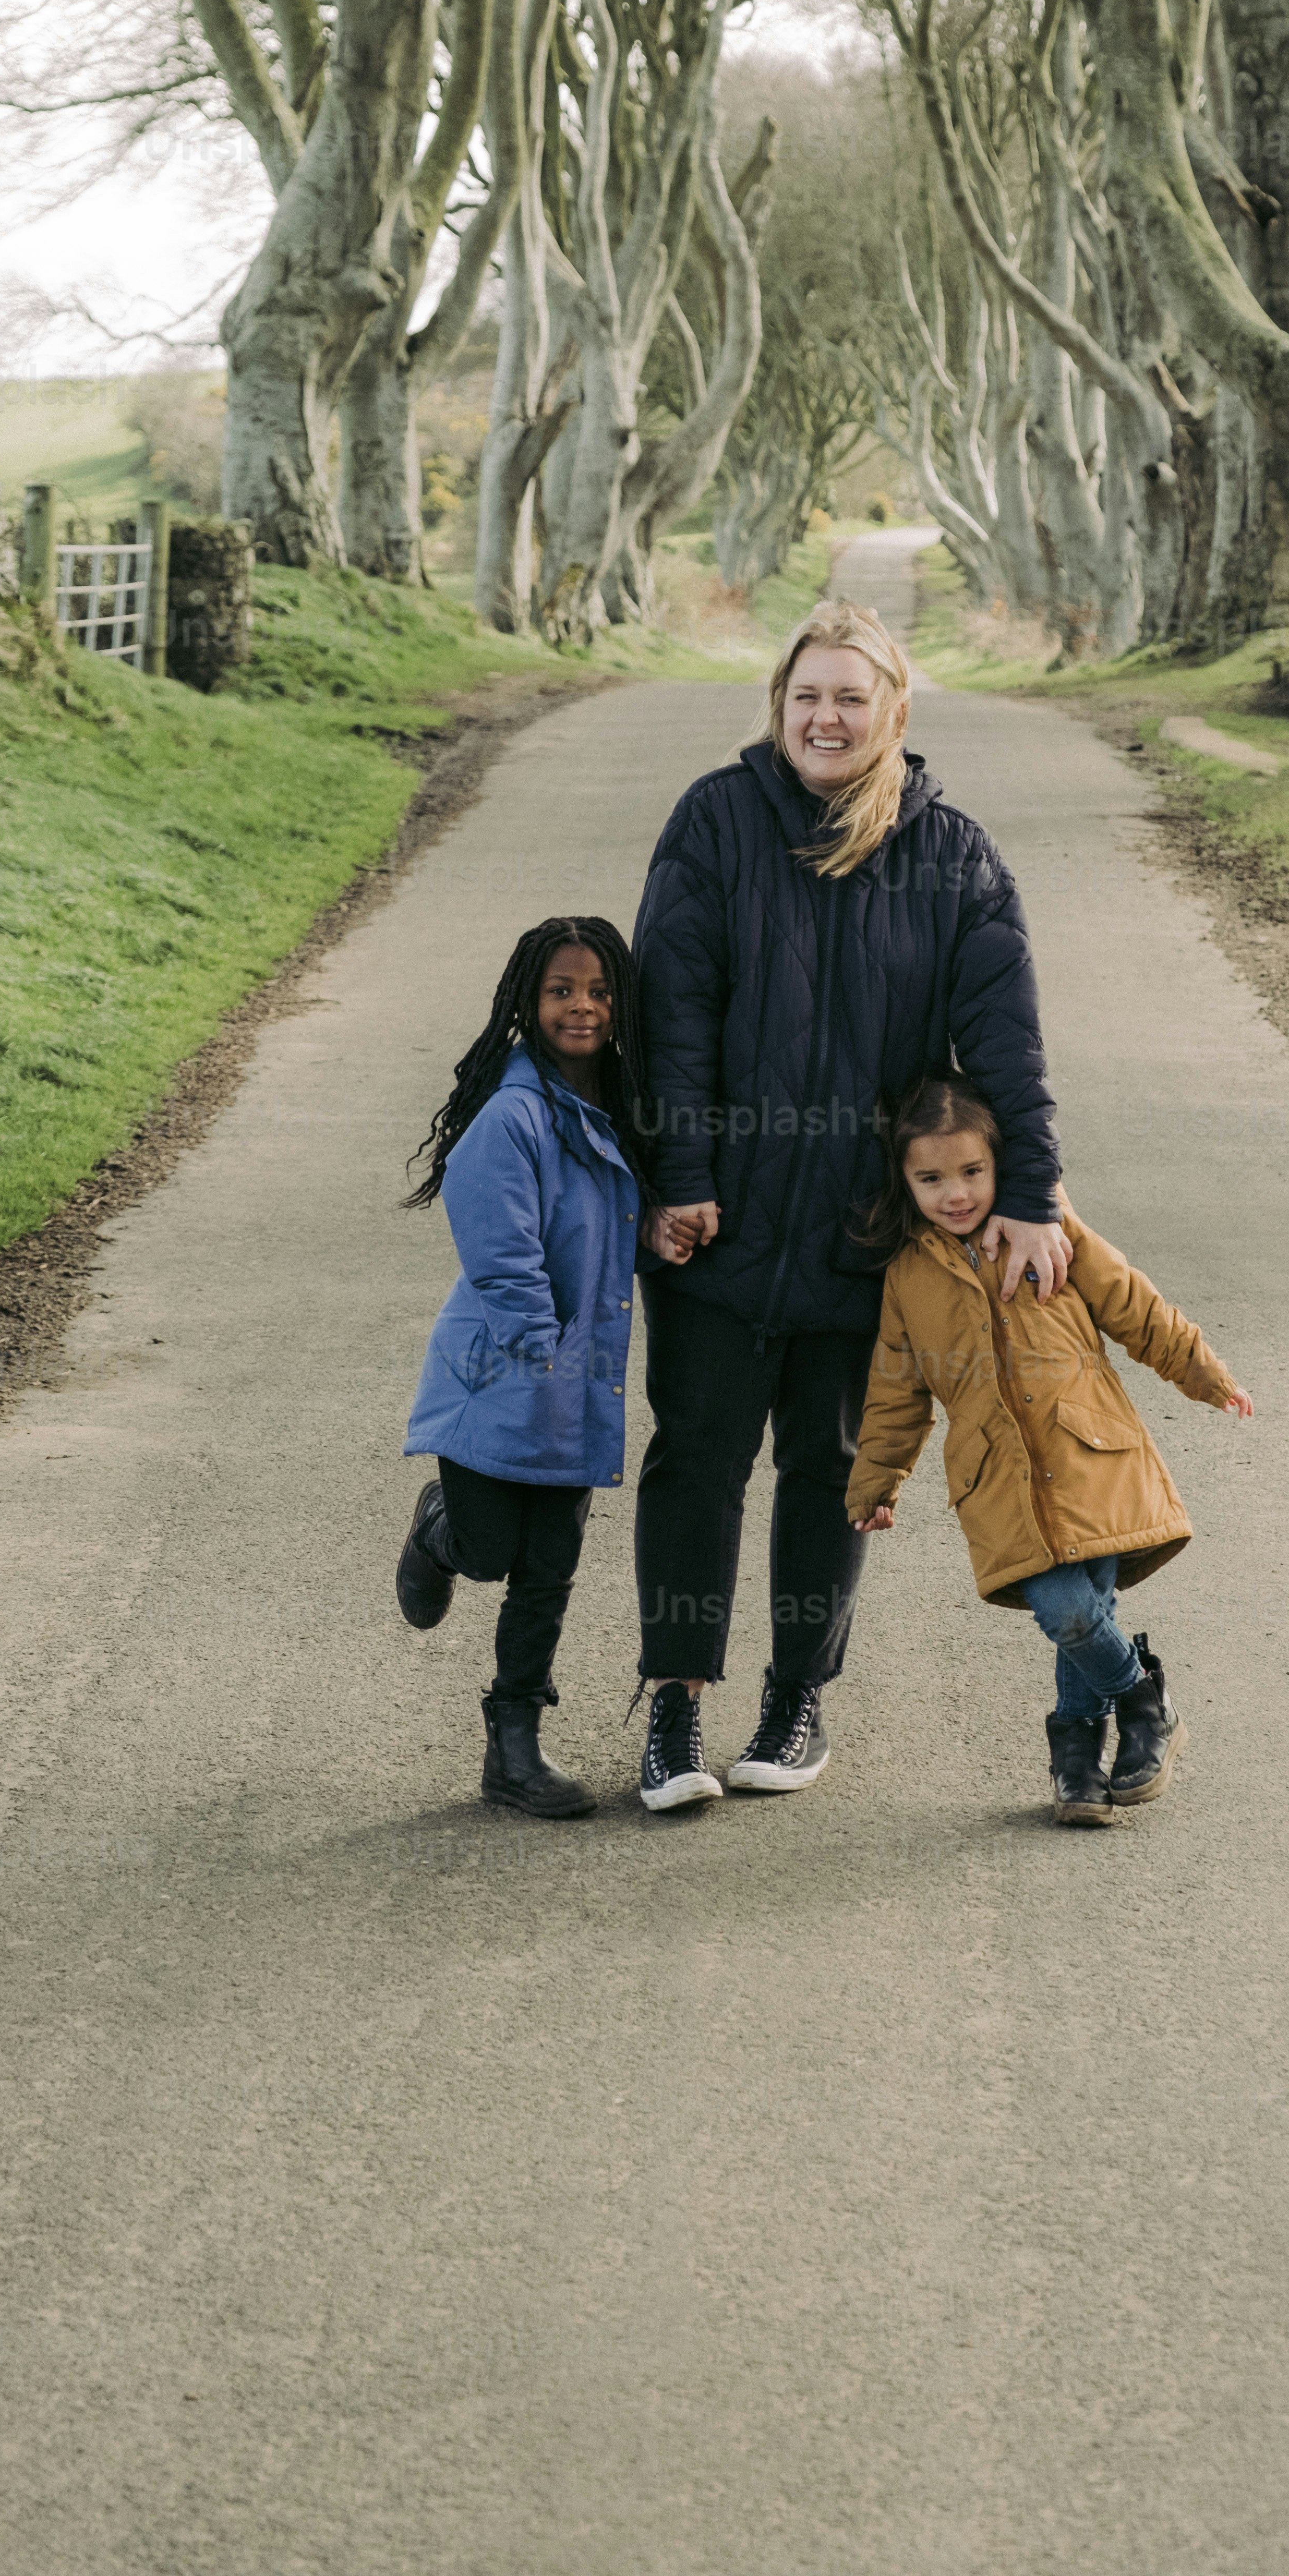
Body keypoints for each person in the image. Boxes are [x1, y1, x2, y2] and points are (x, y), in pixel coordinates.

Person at [629, 596, 1071, 1816]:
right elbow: (671, 1018)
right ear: (778, 706)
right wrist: (681, 1180)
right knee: (696, 1457)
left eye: (849, 697)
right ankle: (671, 1709)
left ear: (893, 714)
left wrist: (1024, 1191)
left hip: (866, 1237)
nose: (825, 717)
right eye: (806, 696)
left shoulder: (956, 859)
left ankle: (794, 1698)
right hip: (713, 1227)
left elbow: (1005, 1046)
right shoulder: (715, 825)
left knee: (830, 1467)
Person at [845, 1071, 1255, 1825]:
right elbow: (896, 1390)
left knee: (1077, 1610)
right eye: (931, 1178)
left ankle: (1078, 1758)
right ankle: (1141, 1701)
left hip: (1088, 1450)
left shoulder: (1047, 1226)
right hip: (999, 1479)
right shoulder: (907, 1274)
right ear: (904, 1182)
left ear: (1001, 1163)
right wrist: (876, 1482)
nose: (956, 1193)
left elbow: (1132, 1304)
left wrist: (1204, 1373)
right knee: (1070, 1610)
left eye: (972, 1171)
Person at [397, 917, 671, 1819]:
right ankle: (439, 1530)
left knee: (549, 1567)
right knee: (489, 1553)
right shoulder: (511, 1115)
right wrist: (540, 1350)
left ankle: (512, 1747)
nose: (582, 1006)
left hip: (575, 1385)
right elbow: (502, 1252)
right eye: (561, 991)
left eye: (598, 990)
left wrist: (659, 1237)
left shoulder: (619, 1108)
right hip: (498, 1379)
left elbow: (605, 1236)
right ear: (529, 1001)